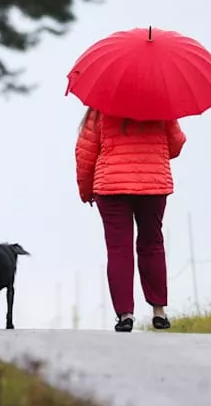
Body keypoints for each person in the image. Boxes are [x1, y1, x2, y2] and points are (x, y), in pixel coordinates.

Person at [74, 107, 186, 332]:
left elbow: (85, 152)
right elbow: (176, 145)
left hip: (111, 187)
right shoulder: (161, 105)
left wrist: (86, 190)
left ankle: (125, 315)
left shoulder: (100, 108)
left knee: (119, 250)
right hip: (153, 185)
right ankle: (159, 312)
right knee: (152, 244)